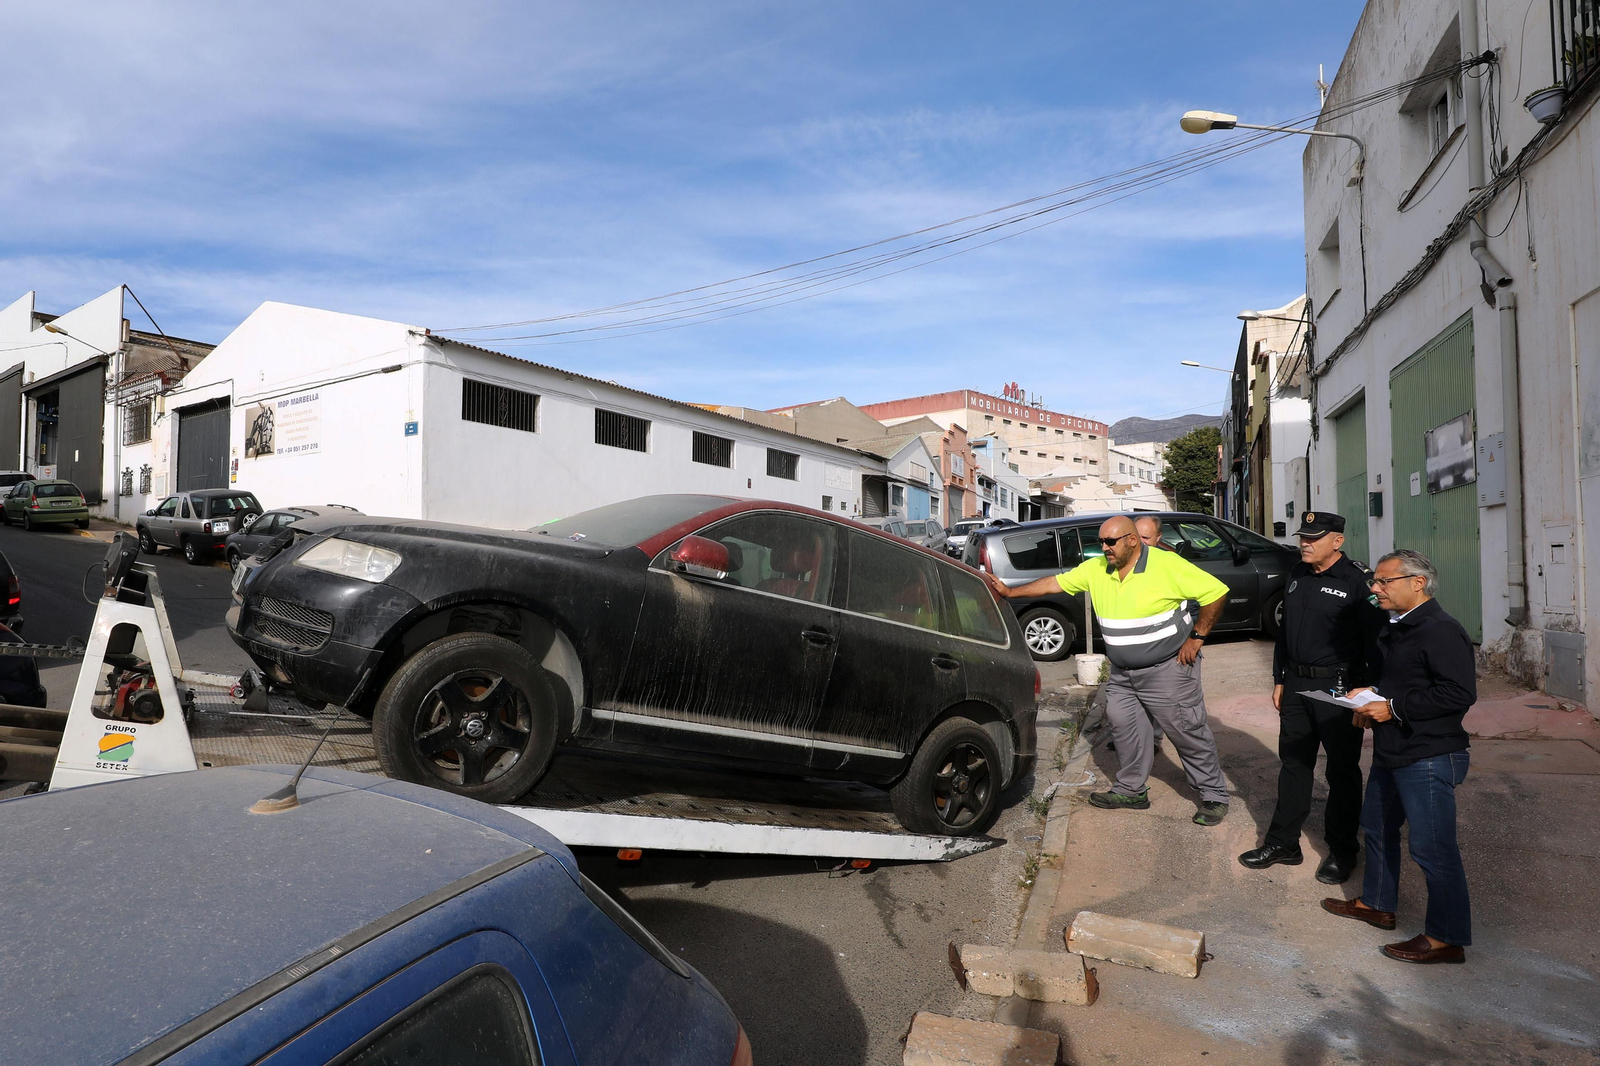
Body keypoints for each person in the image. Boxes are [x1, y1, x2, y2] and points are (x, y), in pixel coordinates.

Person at [985, 515, 1232, 825]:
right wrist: (1010, 592)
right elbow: (1055, 582)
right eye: (1100, 542)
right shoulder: (1097, 569)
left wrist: (1196, 638)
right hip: (1123, 674)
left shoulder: (1166, 565)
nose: (1104, 548)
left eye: (1110, 542)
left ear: (1132, 540)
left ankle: (1213, 794)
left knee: (1187, 730)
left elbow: (1216, 592)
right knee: (1126, 730)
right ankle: (1131, 790)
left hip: (1167, 669)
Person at [1320, 549, 1475, 964]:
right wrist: (1369, 697)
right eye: (1375, 581)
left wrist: (1392, 708)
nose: (1375, 588)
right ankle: (1377, 903)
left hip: (1428, 754)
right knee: (1376, 827)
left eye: (1384, 581)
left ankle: (1446, 938)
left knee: (1433, 848)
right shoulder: (1400, 626)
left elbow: (1458, 694)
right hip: (1395, 748)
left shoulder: (1440, 630)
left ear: (1417, 582)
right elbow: (1404, 679)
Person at [1239, 511, 1385, 884]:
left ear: (1337, 541)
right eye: (1304, 537)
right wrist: (1279, 678)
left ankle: (1343, 851)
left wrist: (1367, 690)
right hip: (1297, 686)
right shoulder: (1298, 574)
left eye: (1314, 538)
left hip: (1339, 689)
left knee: (1341, 772)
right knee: (1294, 766)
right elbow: (1285, 634)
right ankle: (1284, 843)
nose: (1305, 543)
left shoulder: (1357, 581)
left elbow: (1376, 641)